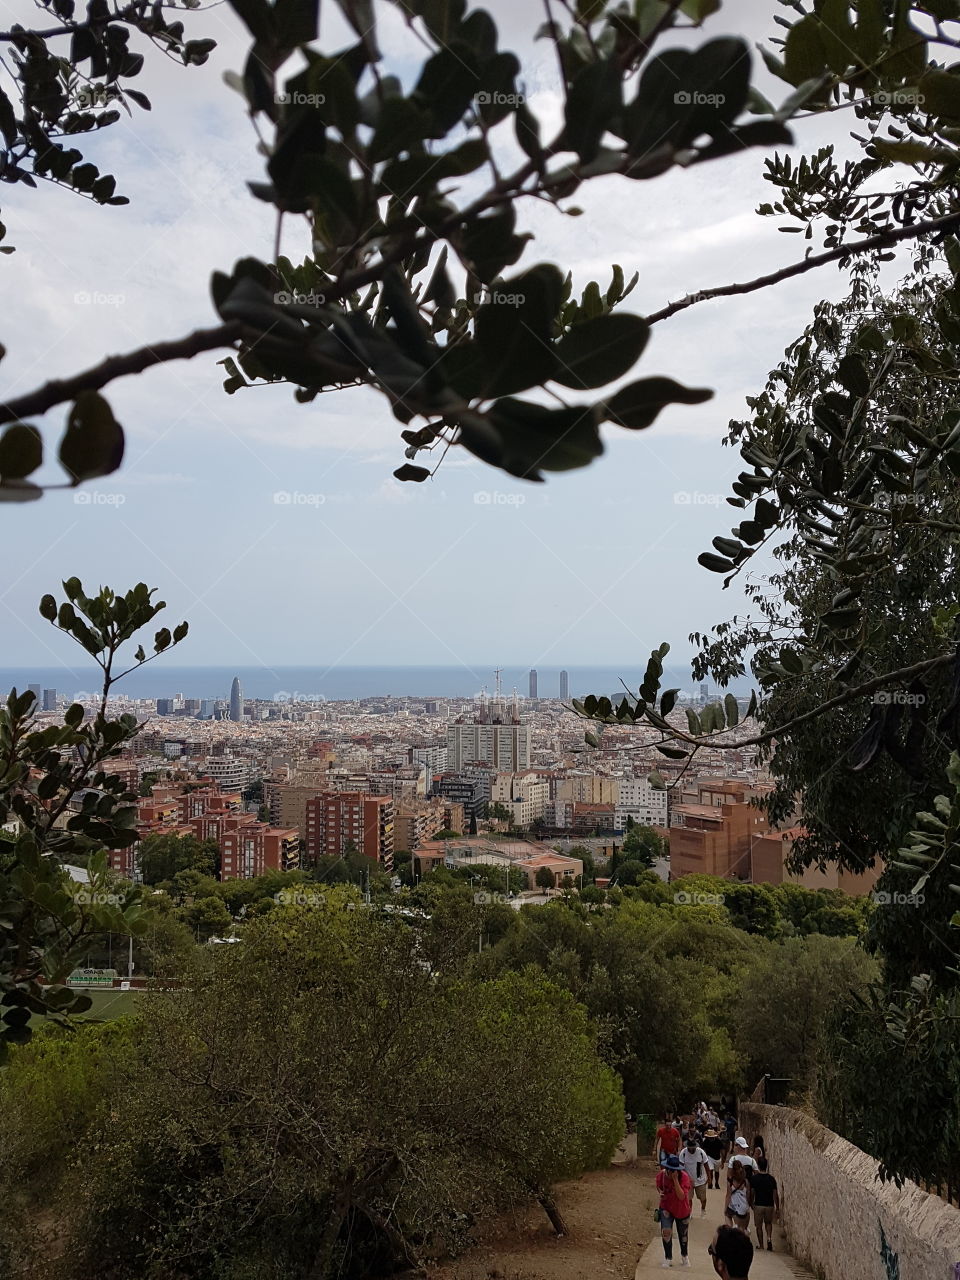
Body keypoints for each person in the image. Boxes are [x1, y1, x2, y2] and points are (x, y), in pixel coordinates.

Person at [656, 1153, 693, 1268]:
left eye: (674, 1170)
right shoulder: (662, 1176)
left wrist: (675, 1180)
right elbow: (658, 1185)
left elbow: (681, 1196)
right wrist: (660, 1192)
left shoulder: (684, 1178)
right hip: (666, 1207)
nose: (671, 1172)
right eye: (669, 1169)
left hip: (682, 1210)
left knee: (683, 1235)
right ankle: (668, 1257)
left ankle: (684, 1255)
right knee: (666, 1231)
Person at [749, 1156, 780, 1252]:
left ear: (758, 1166)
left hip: (758, 1205)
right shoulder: (771, 1179)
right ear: (766, 1166)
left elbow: (752, 1192)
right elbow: (775, 1194)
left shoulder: (754, 1179)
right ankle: (769, 1238)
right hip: (769, 1205)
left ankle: (761, 1245)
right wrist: (777, 1207)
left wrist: (751, 1203)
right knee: (768, 1223)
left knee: (758, 1226)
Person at [678, 1136, 709, 1216]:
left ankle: (703, 1209)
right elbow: (681, 1167)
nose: (691, 1149)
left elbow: (706, 1165)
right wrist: (685, 1178)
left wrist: (709, 1177)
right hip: (688, 1180)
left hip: (700, 1179)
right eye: (690, 1148)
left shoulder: (701, 1153)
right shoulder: (683, 1153)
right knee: (689, 1198)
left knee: (703, 1199)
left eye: (693, 1148)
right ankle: (689, 1213)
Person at [725, 1159, 751, 1232]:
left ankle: (731, 1230)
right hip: (743, 1208)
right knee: (743, 1229)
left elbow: (728, 1195)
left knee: (727, 1216)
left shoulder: (730, 1181)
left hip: (733, 1207)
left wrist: (725, 1208)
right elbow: (748, 1195)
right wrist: (748, 1205)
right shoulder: (746, 1182)